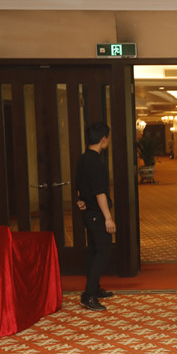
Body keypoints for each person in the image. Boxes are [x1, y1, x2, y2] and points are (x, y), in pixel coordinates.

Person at [75, 122, 116, 312]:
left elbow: (79, 184)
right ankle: (89, 295)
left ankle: (95, 288)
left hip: (88, 213)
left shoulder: (83, 158)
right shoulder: (96, 163)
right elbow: (100, 193)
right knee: (102, 253)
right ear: (103, 139)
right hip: (97, 214)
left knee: (94, 251)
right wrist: (108, 218)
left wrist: (80, 199)